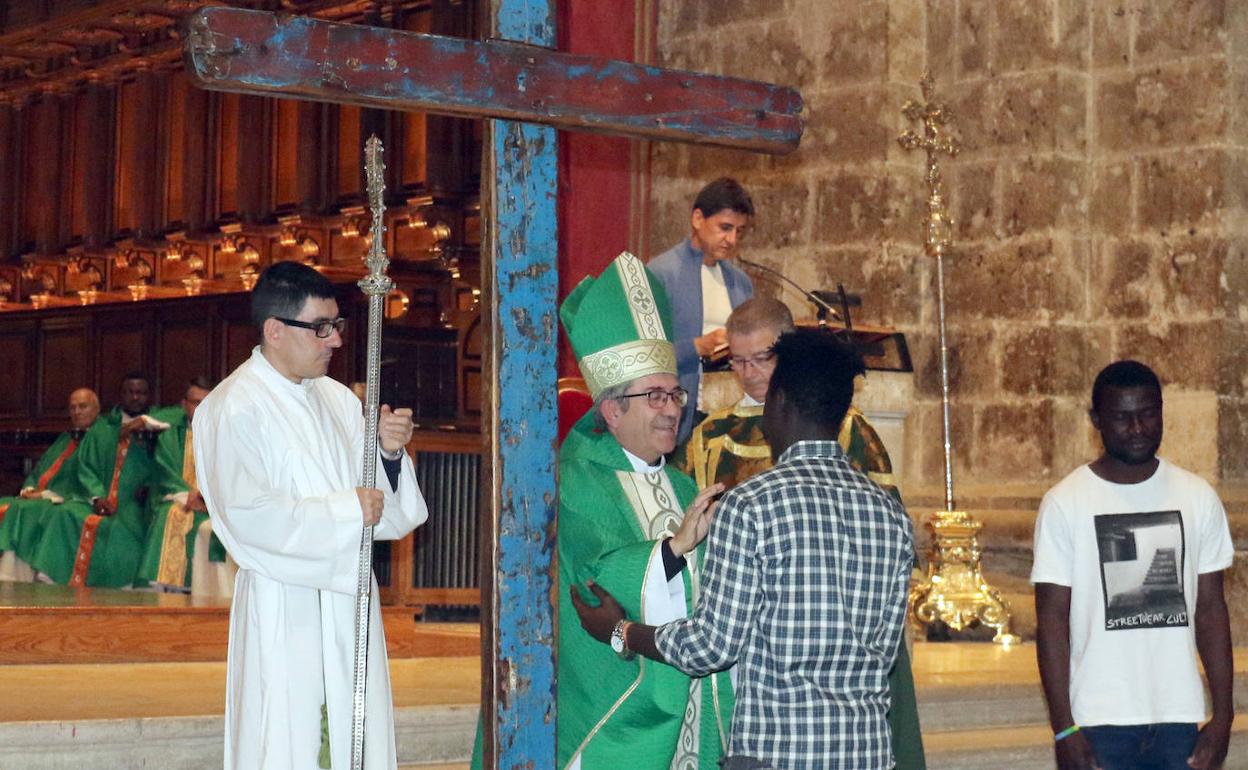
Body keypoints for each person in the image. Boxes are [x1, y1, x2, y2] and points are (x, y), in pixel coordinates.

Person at [573, 328, 915, 769]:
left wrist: (621, 631)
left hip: (777, 754)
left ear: (779, 404)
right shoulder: (890, 516)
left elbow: (711, 646)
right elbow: (885, 652)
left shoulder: (753, 505)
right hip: (865, 751)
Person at [671, 296, 926, 769]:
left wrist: (627, 634)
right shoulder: (709, 434)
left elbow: (711, 643)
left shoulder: (847, 433)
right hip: (836, 723)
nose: (748, 374)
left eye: (760, 359)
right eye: (737, 361)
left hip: (788, 709)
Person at [194, 261, 428, 770]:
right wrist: (346, 511)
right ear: (274, 330)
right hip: (285, 605)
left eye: (338, 326)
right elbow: (247, 517)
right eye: (321, 328)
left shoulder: (337, 399)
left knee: (354, 736)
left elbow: (388, 514)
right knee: (290, 739)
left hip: (349, 602)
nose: (335, 341)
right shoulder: (232, 407)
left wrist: (387, 455)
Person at [528, 251, 732, 769]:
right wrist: (673, 549)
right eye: (655, 396)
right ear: (612, 409)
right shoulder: (575, 481)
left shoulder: (686, 484)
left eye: (675, 394)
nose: (671, 409)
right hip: (614, 701)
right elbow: (594, 583)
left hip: (694, 696)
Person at [1032, 360, 1233, 770]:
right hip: (1098, 719)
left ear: (1161, 411)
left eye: (1147, 414)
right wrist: (1064, 729)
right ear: (1097, 421)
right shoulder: (1065, 503)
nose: (1138, 428)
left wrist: (1224, 715)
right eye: (1122, 418)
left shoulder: (1197, 497)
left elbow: (1211, 609)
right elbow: (1051, 619)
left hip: (1178, 717)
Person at [29, 373, 165, 587]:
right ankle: (54, 576)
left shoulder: (161, 430)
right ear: (121, 395)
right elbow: (87, 466)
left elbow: (166, 466)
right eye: (130, 392)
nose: (135, 397)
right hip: (98, 498)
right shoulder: (104, 428)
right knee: (65, 513)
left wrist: (149, 486)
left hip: (134, 500)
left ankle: (123, 583)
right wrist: (97, 496)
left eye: (141, 393)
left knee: (124, 528)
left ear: (149, 396)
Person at [648, 177, 755, 442]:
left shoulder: (741, 283)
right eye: (725, 227)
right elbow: (644, 354)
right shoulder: (661, 274)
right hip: (678, 409)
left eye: (739, 232)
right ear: (698, 218)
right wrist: (697, 347)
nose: (731, 239)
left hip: (728, 412)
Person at [0, 387, 99, 580]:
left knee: (22, 511)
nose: (77, 412)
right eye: (72, 408)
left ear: (96, 409)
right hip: (41, 497)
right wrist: (30, 489)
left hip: (67, 501)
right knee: (7, 503)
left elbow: (85, 479)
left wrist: (45, 495)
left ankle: (15, 574)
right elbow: (40, 471)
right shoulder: (66, 437)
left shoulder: (99, 440)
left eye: (83, 406)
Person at [136, 376, 217, 591]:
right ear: (184, 404)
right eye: (196, 402)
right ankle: (165, 585)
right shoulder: (171, 434)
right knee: (171, 514)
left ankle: (199, 586)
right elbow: (165, 469)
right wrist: (186, 495)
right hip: (179, 498)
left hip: (212, 503)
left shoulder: (224, 434)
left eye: (207, 402)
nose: (201, 408)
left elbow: (230, 471)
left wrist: (206, 497)